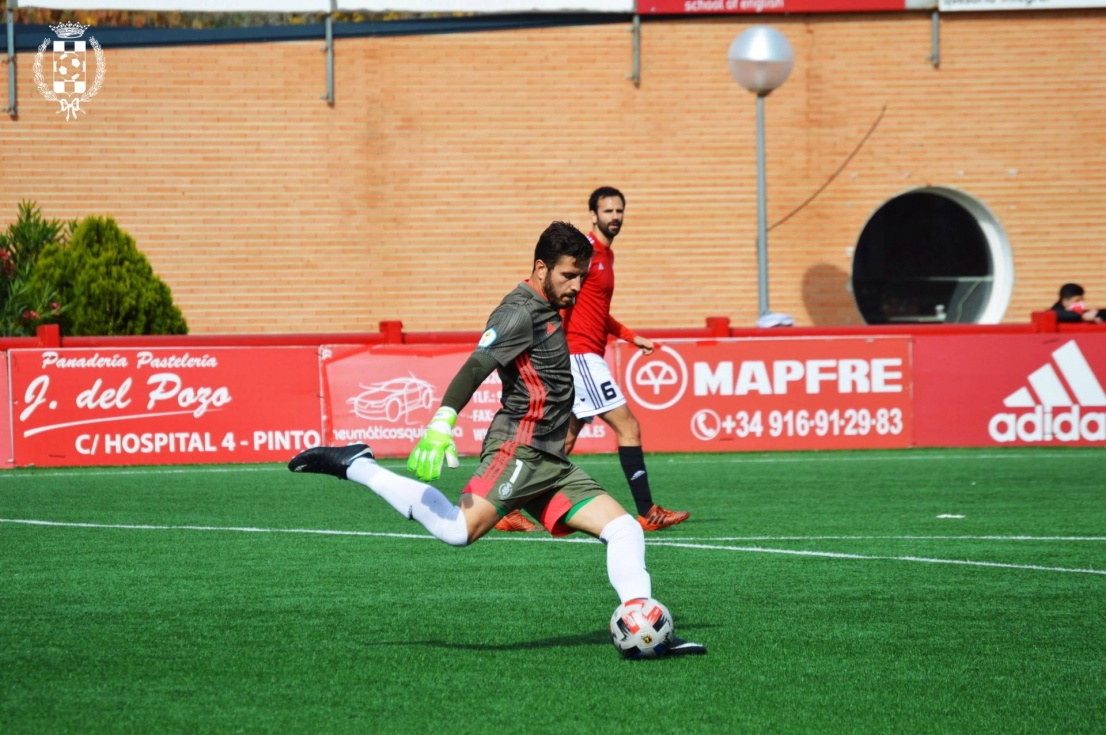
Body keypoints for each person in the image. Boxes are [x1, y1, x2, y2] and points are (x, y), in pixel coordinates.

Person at [288, 221, 705, 657]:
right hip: (519, 449)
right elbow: (476, 365)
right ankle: (358, 464)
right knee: (456, 530)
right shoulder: (517, 312)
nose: (577, 286)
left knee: (624, 530)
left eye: (582, 275)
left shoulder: (551, 304)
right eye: (568, 275)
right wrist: (441, 422)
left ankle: (644, 626)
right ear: (541, 268)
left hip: (551, 459)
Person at [496, 187, 690, 533]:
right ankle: (646, 511)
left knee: (561, 441)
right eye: (607, 211)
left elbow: (599, 312)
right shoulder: (583, 254)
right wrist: (554, 347)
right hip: (580, 355)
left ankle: (507, 506)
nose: (614, 217)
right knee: (628, 426)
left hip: (584, 354)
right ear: (593, 215)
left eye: (619, 211)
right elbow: (560, 300)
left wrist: (630, 336)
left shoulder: (605, 257)